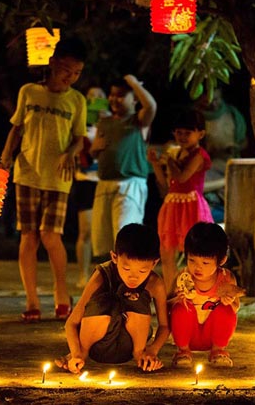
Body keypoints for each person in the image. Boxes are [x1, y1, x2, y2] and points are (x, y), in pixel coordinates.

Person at [0, 37, 87, 322]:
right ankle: (32, 299)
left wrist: (70, 153)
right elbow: (16, 129)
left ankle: (61, 293)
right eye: (66, 70)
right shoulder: (29, 92)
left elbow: (79, 139)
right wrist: (4, 159)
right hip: (27, 172)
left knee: (51, 236)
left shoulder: (77, 100)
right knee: (29, 235)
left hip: (58, 177)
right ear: (52, 63)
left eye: (76, 72)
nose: (70, 77)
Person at [55, 223, 169, 373]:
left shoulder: (155, 283)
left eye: (142, 270)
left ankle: (139, 354)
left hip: (132, 347)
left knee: (137, 297)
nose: (133, 277)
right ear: (114, 257)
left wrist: (152, 351)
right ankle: (82, 353)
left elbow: (164, 326)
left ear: (154, 263)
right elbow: (72, 323)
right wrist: (77, 352)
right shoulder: (102, 275)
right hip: (96, 346)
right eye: (126, 268)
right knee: (106, 301)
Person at [147, 109, 214, 295]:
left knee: (194, 253)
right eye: (179, 132)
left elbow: (183, 177)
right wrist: (155, 163)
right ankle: (170, 294)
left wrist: (168, 160)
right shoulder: (175, 155)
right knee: (167, 253)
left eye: (187, 132)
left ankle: (195, 293)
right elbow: (166, 183)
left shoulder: (199, 155)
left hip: (191, 205)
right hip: (172, 205)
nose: (182, 136)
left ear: (200, 133)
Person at [90, 75, 157, 258]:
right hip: (104, 184)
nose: (113, 99)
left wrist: (134, 84)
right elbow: (95, 150)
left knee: (125, 235)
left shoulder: (138, 121)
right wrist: (94, 150)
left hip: (129, 184)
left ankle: (129, 281)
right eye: (111, 95)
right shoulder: (104, 122)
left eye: (120, 95)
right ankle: (111, 282)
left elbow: (151, 106)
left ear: (134, 98)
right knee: (103, 240)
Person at [168, 222, 242, 368]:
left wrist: (229, 301)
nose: (197, 267)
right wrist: (177, 299)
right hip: (188, 334)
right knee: (182, 308)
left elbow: (235, 308)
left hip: (213, 334)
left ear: (221, 260)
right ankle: (183, 351)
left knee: (224, 309)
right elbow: (167, 304)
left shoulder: (226, 279)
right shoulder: (182, 277)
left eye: (205, 262)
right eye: (192, 260)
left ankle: (218, 351)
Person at [71, 87, 109, 288]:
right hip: (85, 180)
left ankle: (107, 275)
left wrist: (106, 121)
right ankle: (83, 274)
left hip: (106, 181)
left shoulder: (111, 123)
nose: (95, 100)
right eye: (91, 96)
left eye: (100, 97)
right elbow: (82, 154)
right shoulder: (80, 126)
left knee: (106, 231)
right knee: (85, 231)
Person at [193, 88, 247, 223]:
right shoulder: (196, 117)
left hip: (231, 164)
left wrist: (235, 147)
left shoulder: (232, 114)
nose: (213, 104)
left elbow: (244, 141)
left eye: (217, 99)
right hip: (208, 167)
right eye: (208, 101)